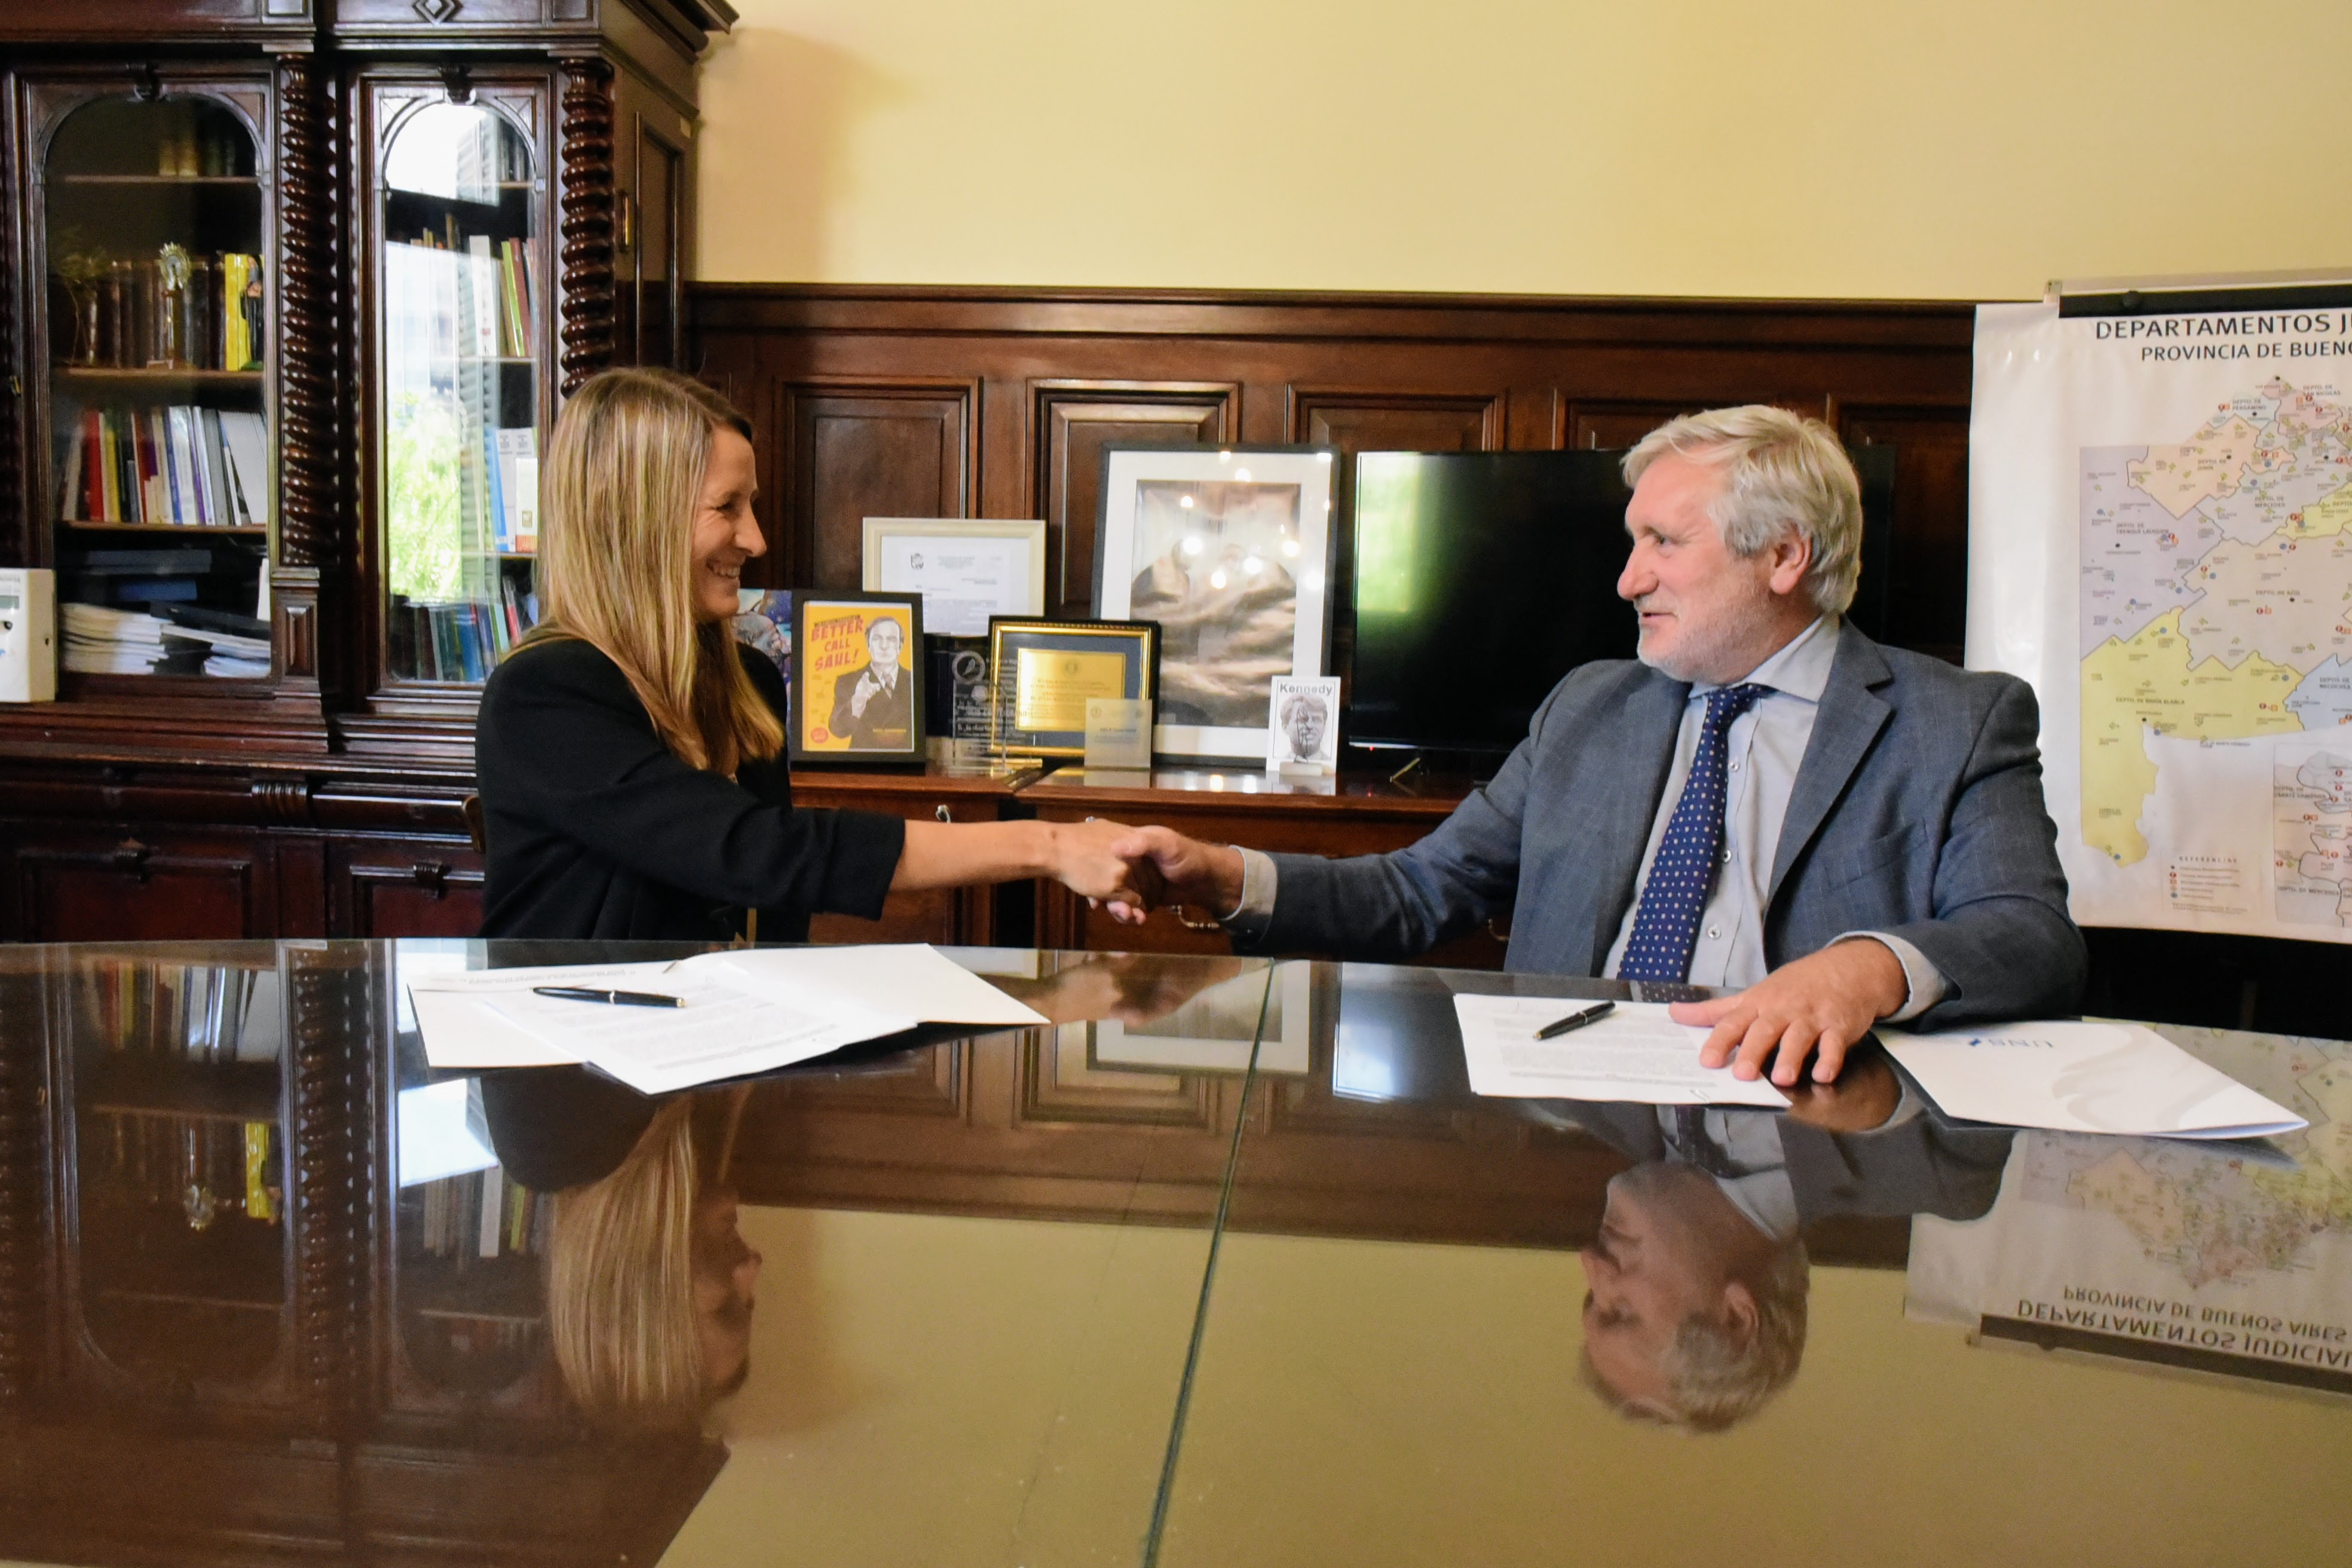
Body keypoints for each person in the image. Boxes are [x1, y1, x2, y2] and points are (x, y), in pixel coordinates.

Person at [1109, 406, 2085, 1087]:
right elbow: (1420, 889)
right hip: (1574, 1120)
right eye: (1633, 542)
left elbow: (2031, 936)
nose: (1627, 580)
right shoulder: (1589, 705)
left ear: (1785, 555)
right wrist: (1225, 874)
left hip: (1808, 1133)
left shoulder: (1955, 721)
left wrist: (1866, 969)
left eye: (1664, 542)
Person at [476, 368, 1153, 940]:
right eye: (727, 507)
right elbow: (757, 852)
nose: (757, 539)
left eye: (751, 505)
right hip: (566, 1045)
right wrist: (1048, 844)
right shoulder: (543, 693)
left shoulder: (748, 682)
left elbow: (776, 922)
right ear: (635, 520)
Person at [1551, 1056, 2014, 1429]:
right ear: (1735, 1316)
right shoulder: (1940, 1165)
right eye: (1622, 1311)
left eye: (1592, 1299)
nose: (1591, 1262)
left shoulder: (1557, 1083)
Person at [825, 614, 912, 749]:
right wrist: (858, 700)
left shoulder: (913, 682)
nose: (884, 646)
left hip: (905, 761)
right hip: (863, 761)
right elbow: (838, 730)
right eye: (877, 639)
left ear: (900, 646)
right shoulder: (848, 681)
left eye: (891, 639)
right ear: (868, 644)